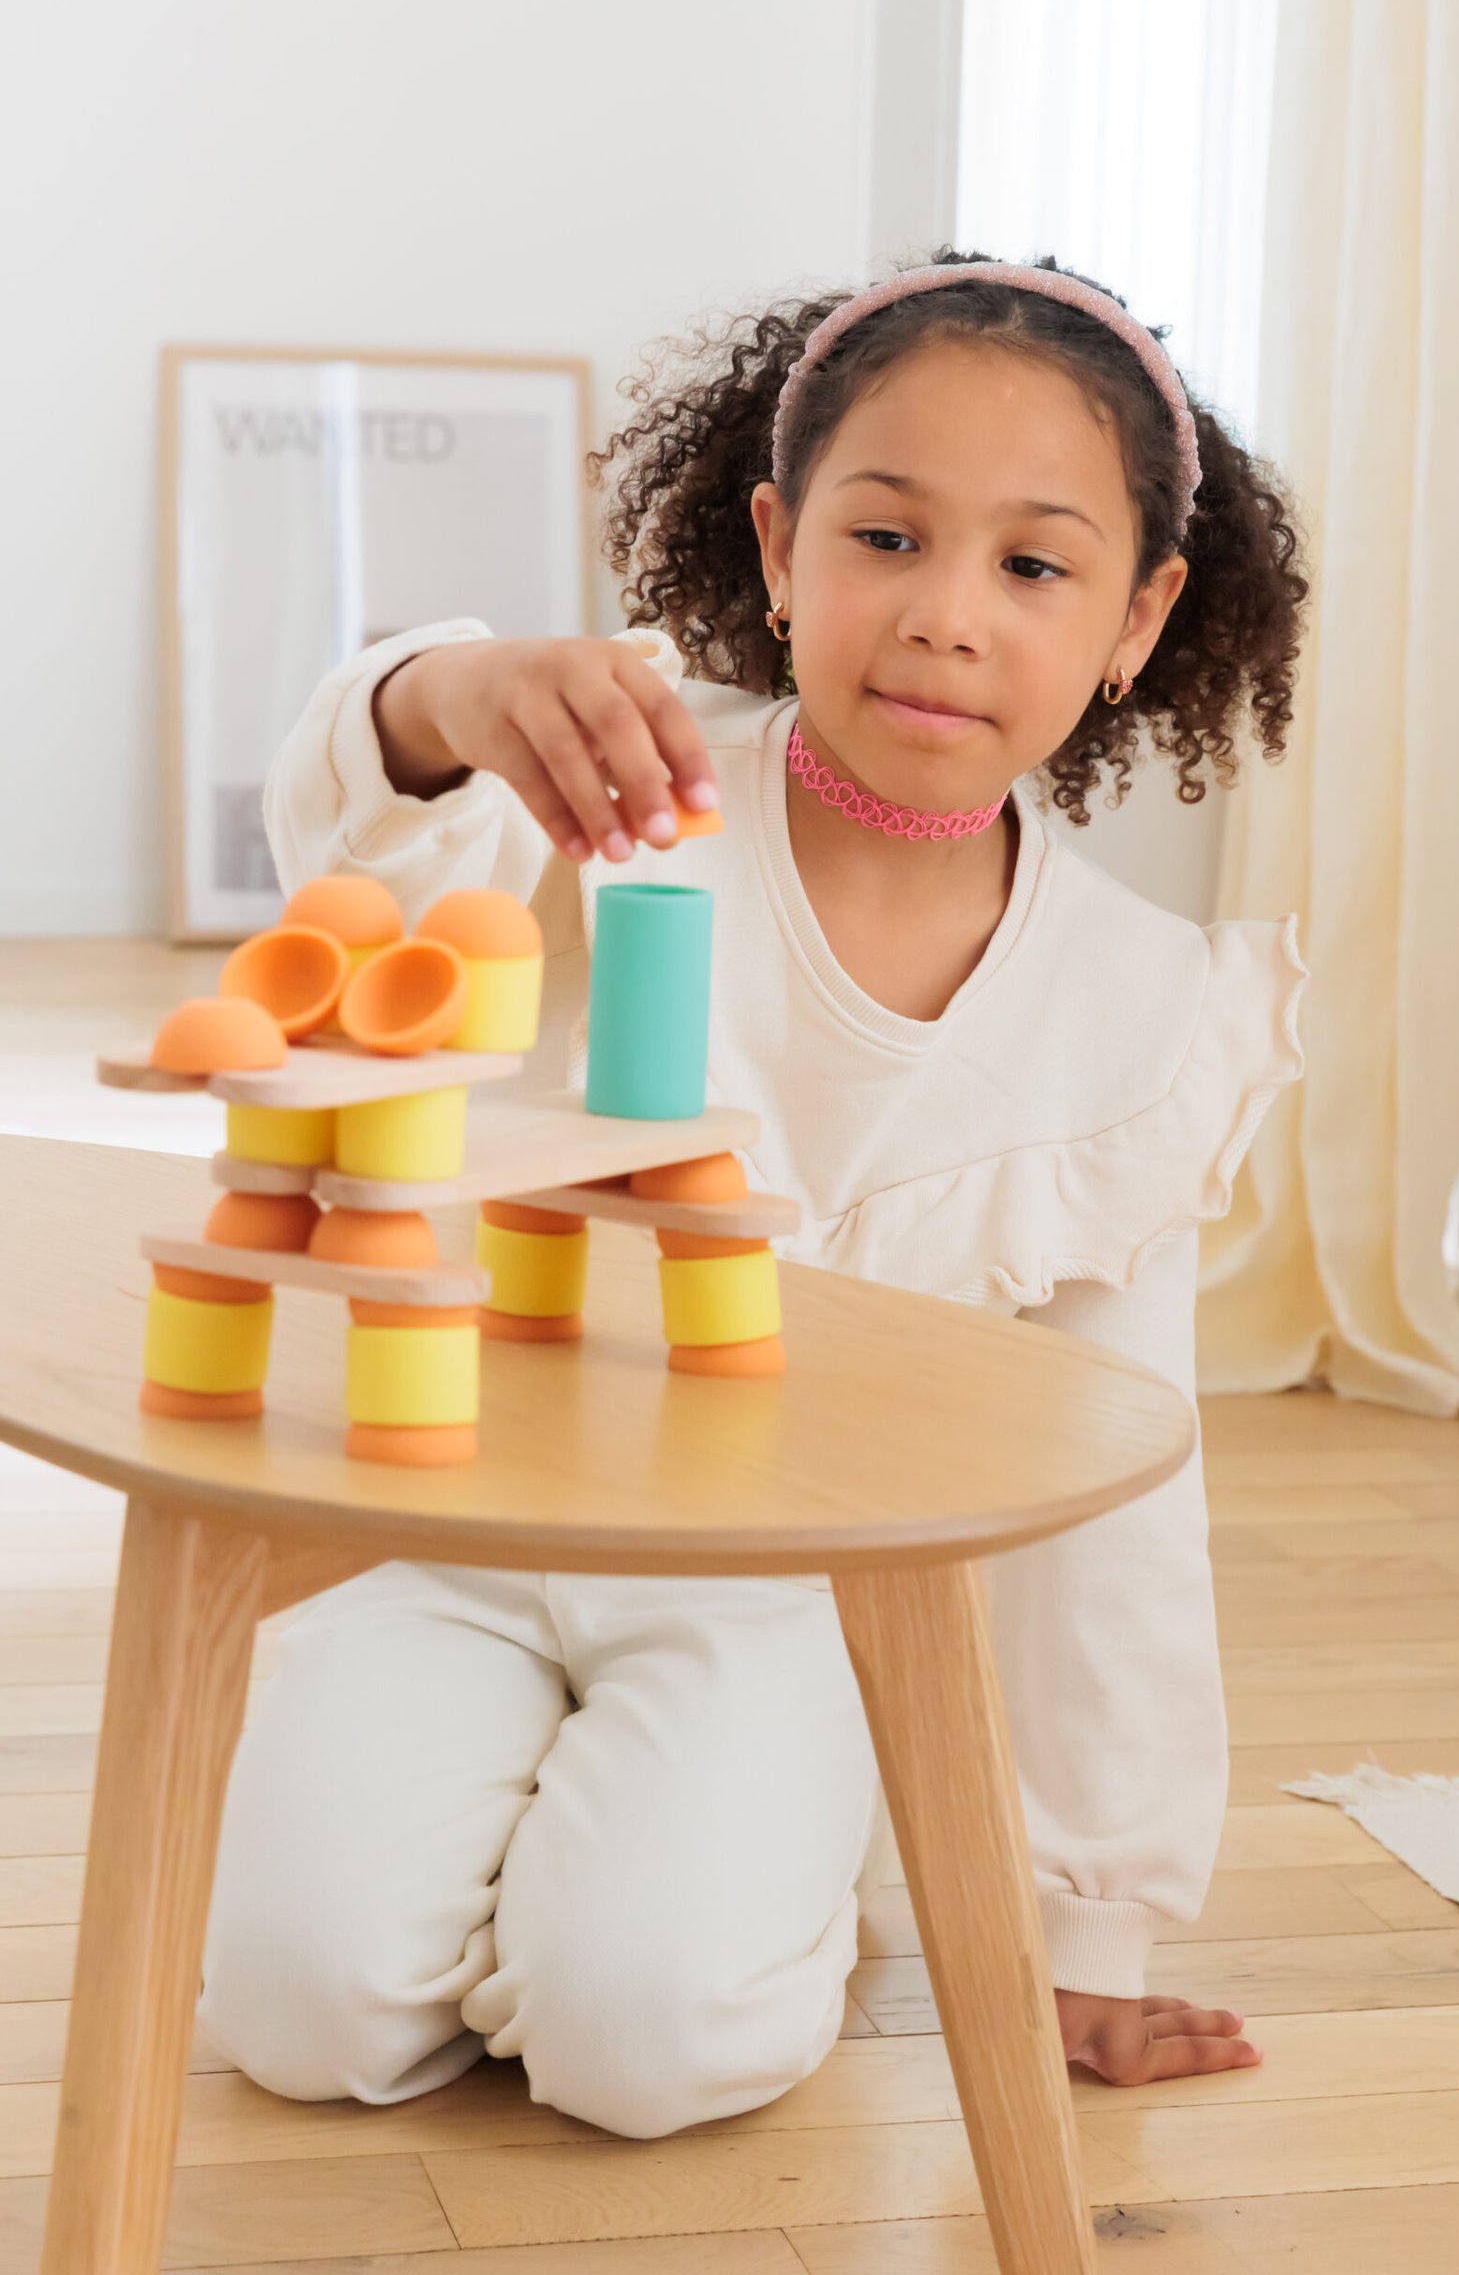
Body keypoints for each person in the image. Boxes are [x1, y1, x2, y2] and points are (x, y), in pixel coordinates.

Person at [198, 248, 1311, 2134]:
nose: (948, 618)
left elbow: (1115, 1501)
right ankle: (568, 1852)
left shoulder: (1139, 1011)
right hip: (456, 1529)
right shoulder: (611, 786)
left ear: (1140, 619)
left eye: (1034, 567)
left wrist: (1080, 1924)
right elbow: (360, 830)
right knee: (303, 2022)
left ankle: (698, 1873)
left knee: (646, 2045)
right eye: (888, 539)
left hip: (784, 1590)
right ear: (782, 550)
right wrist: (455, 689)